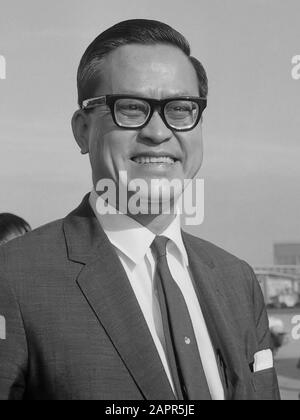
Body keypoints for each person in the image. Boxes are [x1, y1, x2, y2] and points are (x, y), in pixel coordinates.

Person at [0, 19, 280, 400]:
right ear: (82, 129)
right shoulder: (15, 279)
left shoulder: (238, 281)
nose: (158, 131)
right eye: (131, 108)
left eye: (181, 109)